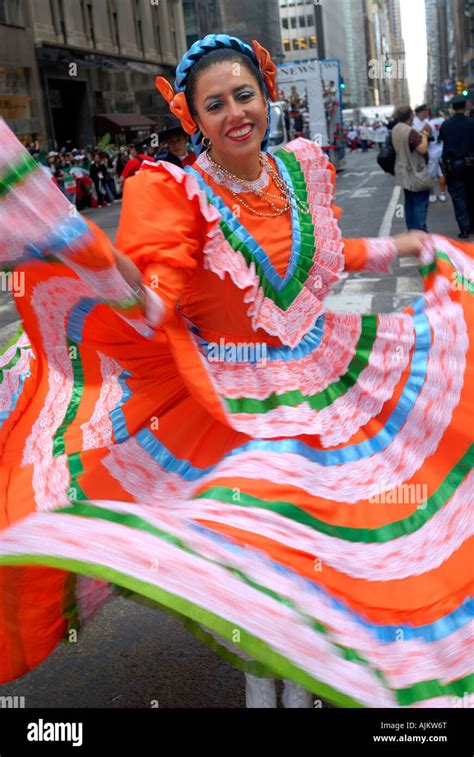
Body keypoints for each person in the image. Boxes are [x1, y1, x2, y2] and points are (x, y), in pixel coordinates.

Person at [0, 34, 472, 711]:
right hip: (228, 403)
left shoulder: (300, 170)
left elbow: (320, 263)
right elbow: (155, 299)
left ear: (266, 95)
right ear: (194, 118)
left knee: (330, 541)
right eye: (214, 104)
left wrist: (405, 246)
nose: (234, 113)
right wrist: (100, 261)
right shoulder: (172, 192)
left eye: (243, 95)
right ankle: (261, 679)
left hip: (324, 381)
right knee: (255, 543)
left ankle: (314, 675)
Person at [391, 105, 433, 231]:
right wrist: (425, 136)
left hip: (403, 171)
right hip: (415, 172)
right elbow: (422, 148)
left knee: (409, 202)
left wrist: (418, 136)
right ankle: (421, 233)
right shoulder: (410, 131)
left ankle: (413, 232)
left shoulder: (396, 128)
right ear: (410, 116)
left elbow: (407, 143)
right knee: (420, 202)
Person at [438, 95, 474, 239]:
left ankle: (464, 229)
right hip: (471, 164)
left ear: (453, 109)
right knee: (471, 195)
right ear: (465, 107)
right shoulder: (472, 123)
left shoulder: (446, 125)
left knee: (458, 197)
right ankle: (472, 226)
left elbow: (442, 140)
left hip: (453, 165)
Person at [427, 110, 447, 203]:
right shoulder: (443, 121)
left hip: (432, 151)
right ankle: (442, 194)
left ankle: (432, 195)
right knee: (441, 174)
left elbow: (425, 137)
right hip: (442, 149)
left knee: (431, 175)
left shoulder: (429, 123)